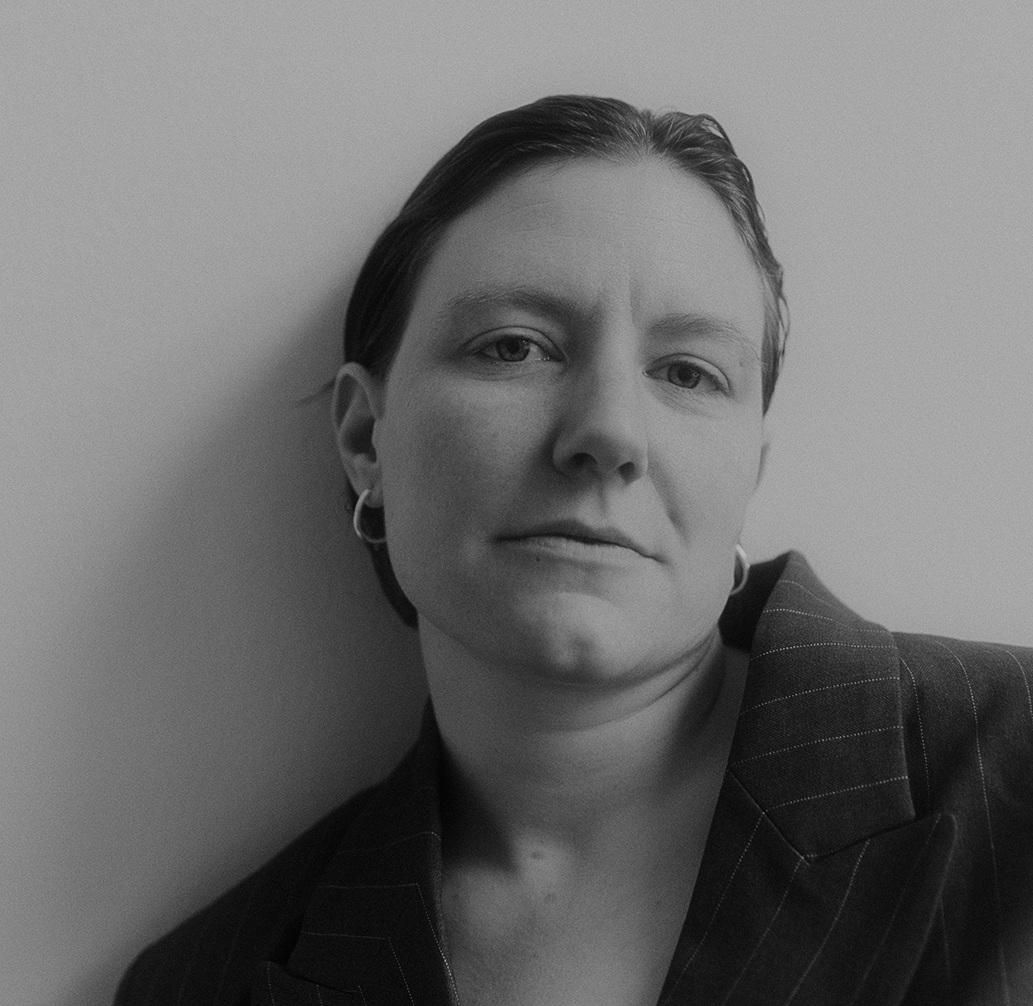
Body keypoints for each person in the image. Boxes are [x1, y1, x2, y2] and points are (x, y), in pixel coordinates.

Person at [115, 95, 1033, 1005]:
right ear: (365, 439)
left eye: (687, 372)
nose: (609, 433)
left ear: (747, 470)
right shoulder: (201, 988)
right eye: (514, 348)